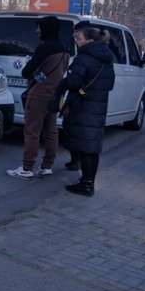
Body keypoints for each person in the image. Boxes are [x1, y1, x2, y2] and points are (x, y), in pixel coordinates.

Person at [56, 21, 115, 197]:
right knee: (91, 146)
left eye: (78, 37)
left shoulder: (83, 57)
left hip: (83, 107)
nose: (76, 40)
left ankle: (86, 185)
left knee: (85, 146)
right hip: (98, 107)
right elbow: (109, 85)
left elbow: (74, 83)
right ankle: (88, 181)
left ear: (89, 39)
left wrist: (65, 83)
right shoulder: (107, 58)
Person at [7, 16, 69, 179]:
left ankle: (27, 168)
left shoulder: (44, 48)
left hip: (38, 95)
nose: (37, 31)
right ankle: (47, 166)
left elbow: (26, 72)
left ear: (46, 29)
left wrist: (35, 72)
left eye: (39, 28)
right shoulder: (65, 49)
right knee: (51, 131)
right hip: (55, 95)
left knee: (32, 131)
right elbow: (61, 72)